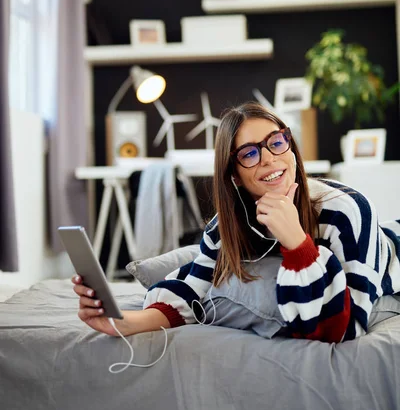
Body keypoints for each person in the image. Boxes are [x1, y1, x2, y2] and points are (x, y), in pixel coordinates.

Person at [72, 102, 400, 343]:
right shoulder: (225, 225)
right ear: (236, 177)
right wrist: (124, 322)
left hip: (392, 247)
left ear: (290, 146)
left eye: (276, 141)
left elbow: (346, 328)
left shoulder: (346, 210)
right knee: (197, 263)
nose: (270, 158)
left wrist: (297, 243)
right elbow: (193, 292)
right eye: (249, 153)